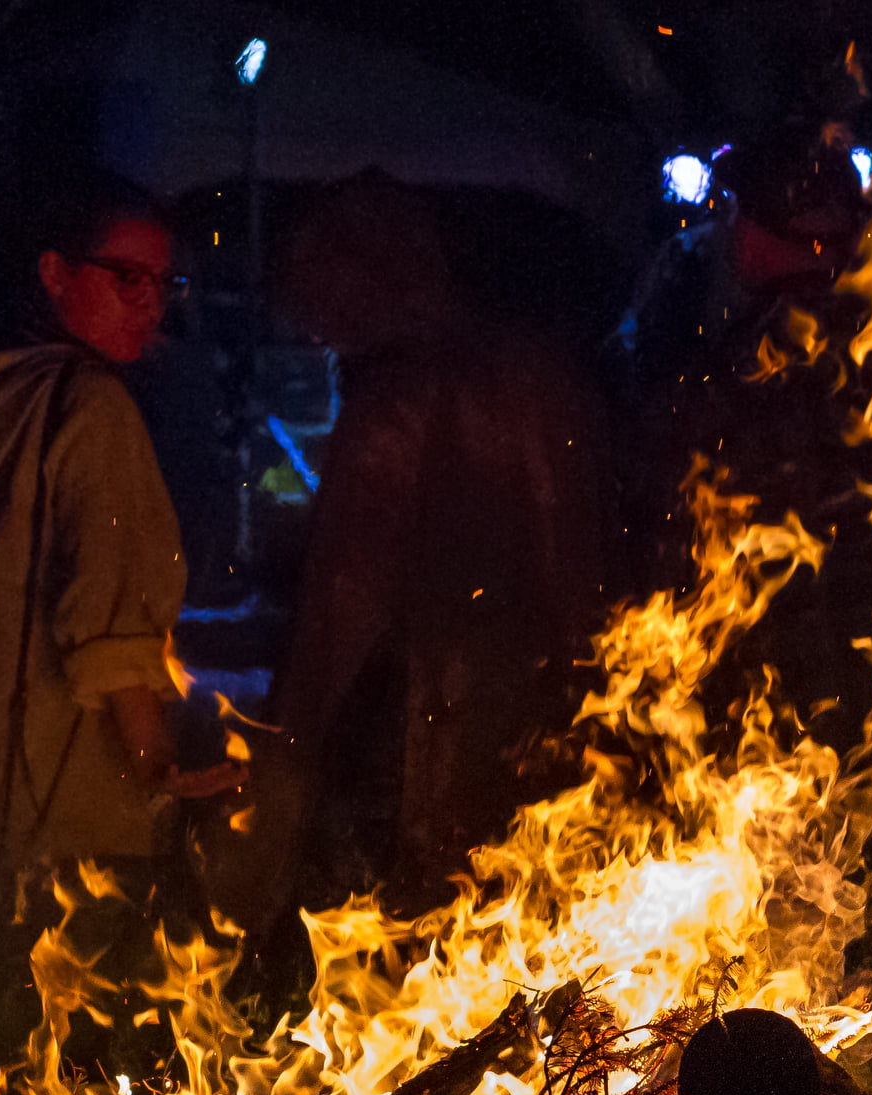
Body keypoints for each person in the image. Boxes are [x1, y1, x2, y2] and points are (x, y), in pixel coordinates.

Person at [207, 173, 609, 934]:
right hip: (543, 716)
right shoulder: (548, 371)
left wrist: (282, 769)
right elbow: (583, 562)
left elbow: (343, 601)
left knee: (408, 937)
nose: (311, 322)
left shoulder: (396, 397)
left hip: (417, 726)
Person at [0, 173, 238, 870]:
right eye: (127, 277)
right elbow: (109, 619)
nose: (151, 304)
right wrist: (155, 765)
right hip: (63, 801)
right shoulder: (94, 407)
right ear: (55, 273)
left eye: (164, 283)